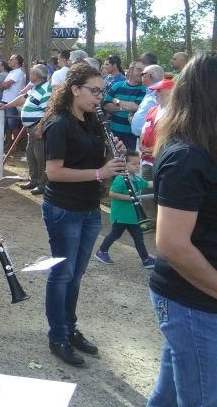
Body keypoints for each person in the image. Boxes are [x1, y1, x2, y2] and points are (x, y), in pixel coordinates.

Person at [38, 62, 126, 367]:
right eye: (94, 91)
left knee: (76, 275)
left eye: (102, 91)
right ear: (75, 90)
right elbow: (54, 172)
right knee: (62, 275)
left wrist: (113, 159)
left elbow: (94, 166)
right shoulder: (59, 123)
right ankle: (57, 336)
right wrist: (100, 172)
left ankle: (69, 328)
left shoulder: (92, 122)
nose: (99, 97)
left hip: (88, 209)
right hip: (64, 209)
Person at [146, 53, 217, 407]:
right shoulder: (187, 156)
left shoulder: (204, 147)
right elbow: (172, 245)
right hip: (192, 300)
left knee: (169, 396)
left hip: (200, 298)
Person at [94, 150, 155, 268]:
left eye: (139, 163)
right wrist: (129, 197)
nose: (137, 166)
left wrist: (161, 179)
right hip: (121, 216)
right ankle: (101, 251)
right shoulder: (121, 179)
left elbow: (147, 184)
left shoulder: (136, 179)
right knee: (115, 234)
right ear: (125, 165)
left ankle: (145, 259)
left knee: (138, 238)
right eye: (134, 164)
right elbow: (112, 193)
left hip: (132, 217)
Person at [0, 64, 51, 195]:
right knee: (31, 155)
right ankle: (34, 180)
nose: (30, 75)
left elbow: (48, 111)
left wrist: (40, 127)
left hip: (38, 126)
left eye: (32, 73)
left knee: (40, 156)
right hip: (31, 127)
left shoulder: (46, 89)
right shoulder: (35, 87)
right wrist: (6, 106)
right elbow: (22, 99)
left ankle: (42, 184)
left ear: (38, 75)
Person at [103, 61, 146, 151]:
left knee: (129, 161)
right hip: (113, 133)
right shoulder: (117, 86)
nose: (142, 73)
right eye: (139, 70)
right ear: (130, 70)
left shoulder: (144, 89)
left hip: (131, 136)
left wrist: (116, 101)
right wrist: (125, 107)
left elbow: (135, 107)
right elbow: (106, 106)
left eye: (144, 70)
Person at [138, 77, 174, 181]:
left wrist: (157, 150)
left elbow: (176, 139)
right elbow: (144, 129)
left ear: (170, 92)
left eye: (158, 91)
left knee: (162, 191)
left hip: (164, 161)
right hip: (147, 161)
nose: (155, 94)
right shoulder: (153, 109)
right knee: (146, 193)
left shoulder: (175, 114)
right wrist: (141, 144)